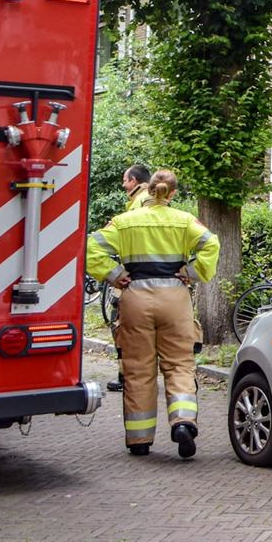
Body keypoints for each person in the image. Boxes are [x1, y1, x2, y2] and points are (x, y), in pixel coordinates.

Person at [86, 169, 219, 459]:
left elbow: (92, 247)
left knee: (138, 369)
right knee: (179, 365)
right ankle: (183, 422)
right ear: (173, 193)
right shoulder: (184, 220)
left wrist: (115, 275)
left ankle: (140, 439)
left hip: (135, 296)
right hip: (175, 298)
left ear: (148, 190)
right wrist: (192, 272)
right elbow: (211, 243)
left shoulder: (125, 221)